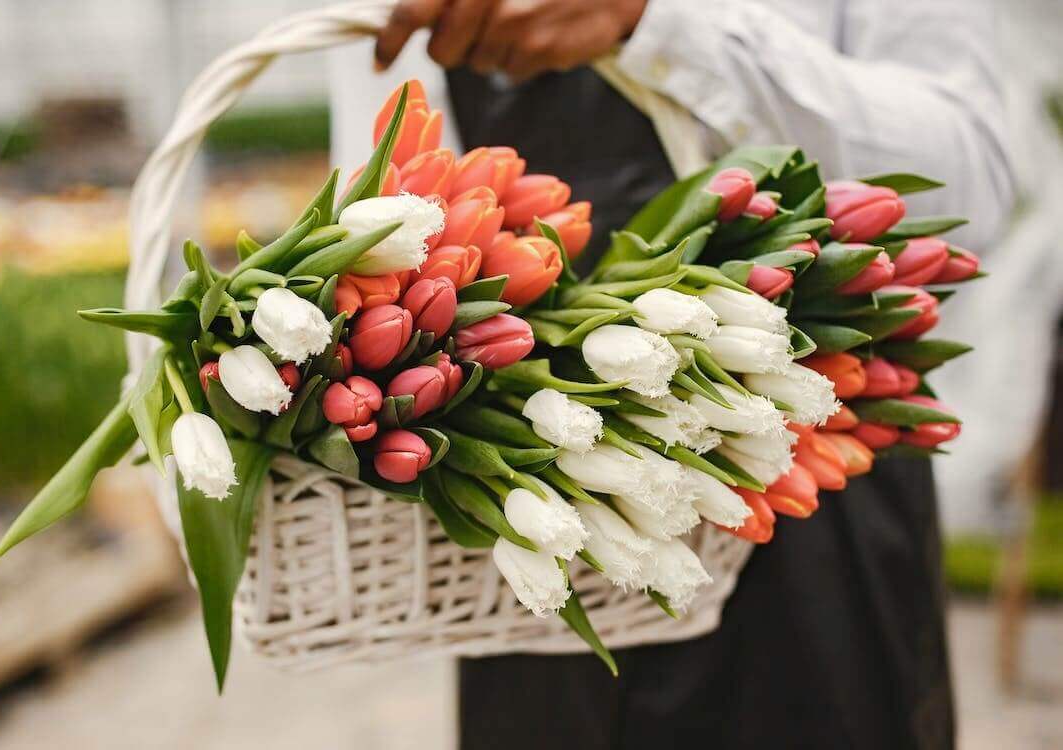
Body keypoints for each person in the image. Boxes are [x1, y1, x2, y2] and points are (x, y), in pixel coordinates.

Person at [328, 1, 1014, 747]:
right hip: (539, 516)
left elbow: (965, 187)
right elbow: (376, 215)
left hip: (810, 472)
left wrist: (654, 27)